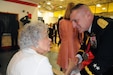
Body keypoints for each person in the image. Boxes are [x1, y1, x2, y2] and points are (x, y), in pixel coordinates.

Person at [69, 3, 113, 75]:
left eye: (76, 21)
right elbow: (87, 47)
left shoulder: (108, 29)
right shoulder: (90, 28)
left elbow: (103, 62)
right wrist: (78, 58)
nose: (73, 25)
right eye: (72, 22)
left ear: (88, 15)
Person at [57, 2, 81, 74]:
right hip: (75, 46)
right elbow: (81, 36)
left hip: (64, 47)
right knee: (76, 69)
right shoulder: (77, 22)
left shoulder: (61, 22)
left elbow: (60, 35)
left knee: (65, 69)